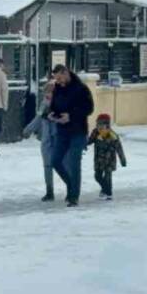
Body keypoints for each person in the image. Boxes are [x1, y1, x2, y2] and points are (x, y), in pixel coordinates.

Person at [48, 64, 94, 207]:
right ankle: (71, 185)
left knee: (75, 164)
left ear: (66, 73)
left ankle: (74, 196)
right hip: (61, 130)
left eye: (60, 78)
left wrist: (71, 116)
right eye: (56, 79)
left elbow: (89, 108)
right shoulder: (58, 88)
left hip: (77, 131)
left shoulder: (81, 89)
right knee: (55, 161)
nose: (59, 81)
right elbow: (54, 106)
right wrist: (52, 114)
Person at [23, 76, 58, 201]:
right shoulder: (44, 105)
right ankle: (50, 191)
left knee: (63, 166)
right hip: (46, 140)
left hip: (59, 140)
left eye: (51, 92)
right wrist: (28, 129)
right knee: (47, 166)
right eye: (46, 92)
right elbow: (39, 118)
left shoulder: (62, 105)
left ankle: (72, 189)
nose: (48, 95)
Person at [88, 114, 127, 200]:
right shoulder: (95, 132)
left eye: (101, 124)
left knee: (108, 177)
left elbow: (119, 148)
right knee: (97, 176)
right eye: (98, 124)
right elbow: (89, 141)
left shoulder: (112, 135)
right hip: (98, 160)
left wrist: (122, 159)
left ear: (107, 125)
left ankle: (109, 193)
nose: (99, 126)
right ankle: (105, 189)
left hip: (109, 160)